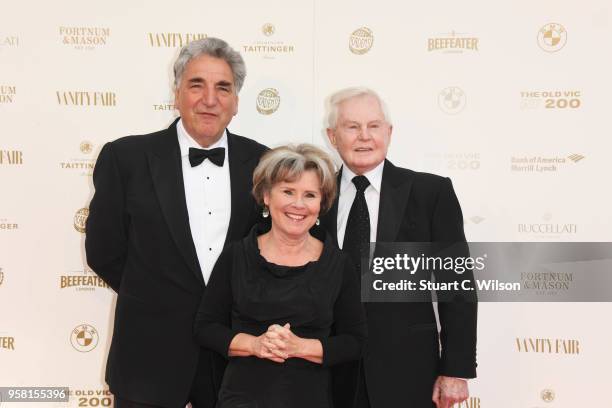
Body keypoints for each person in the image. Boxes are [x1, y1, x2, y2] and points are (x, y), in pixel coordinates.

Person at [85, 38, 267, 408]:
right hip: (147, 354)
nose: (210, 99)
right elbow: (104, 251)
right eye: (196, 84)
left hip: (234, 357)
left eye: (223, 88)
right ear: (176, 92)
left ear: (235, 101)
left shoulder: (263, 161)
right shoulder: (126, 158)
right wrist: (154, 295)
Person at [320, 87, 478, 408]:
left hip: (408, 371)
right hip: (328, 374)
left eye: (374, 126)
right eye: (352, 127)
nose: (365, 136)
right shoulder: (313, 196)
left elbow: (456, 285)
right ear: (332, 136)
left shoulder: (430, 192)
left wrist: (455, 370)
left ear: (389, 133)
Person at [194, 144, 367, 408]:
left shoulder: (339, 265)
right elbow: (206, 328)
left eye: (310, 195)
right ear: (266, 196)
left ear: (321, 204)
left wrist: (299, 347)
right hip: (240, 400)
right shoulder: (236, 256)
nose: (298, 205)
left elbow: (355, 342)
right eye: (288, 191)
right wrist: (256, 345)